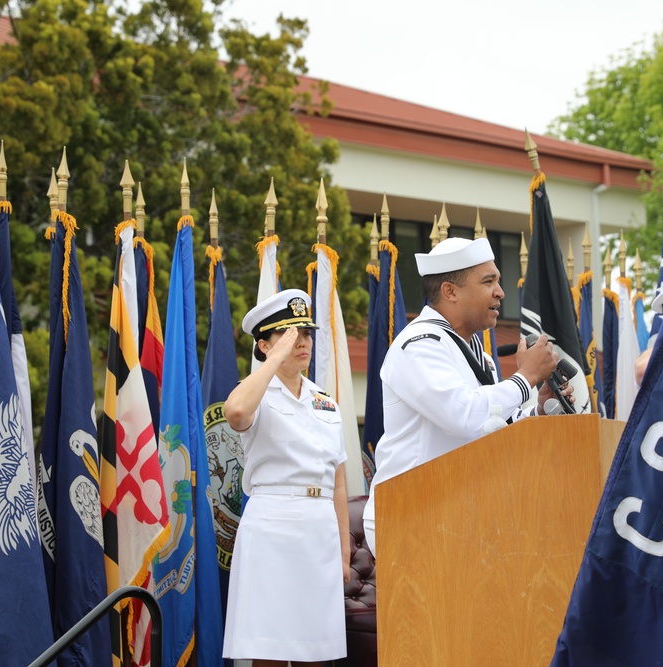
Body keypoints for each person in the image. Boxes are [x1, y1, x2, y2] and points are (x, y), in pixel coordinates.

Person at [363, 237, 571, 556]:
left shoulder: (476, 352)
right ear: (450, 291)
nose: (500, 292)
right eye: (488, 281)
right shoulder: (419, 345)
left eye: (498, 282)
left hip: (458, 514)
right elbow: (463, 416)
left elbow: (493, 431)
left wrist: (538, 411)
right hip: (411, 514)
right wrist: (526, 377)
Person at [222, 289, 349, 667]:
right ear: (263, 344)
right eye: (289, 335)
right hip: (272, 528)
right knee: (271, 650)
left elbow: (338, 480)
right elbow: (236, 412)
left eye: (306, 333)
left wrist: (343, 550)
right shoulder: (257, 393)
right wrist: (274, 359)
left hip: (319, 528)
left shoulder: (325, 402)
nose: (302, 342)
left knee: (316, 650)